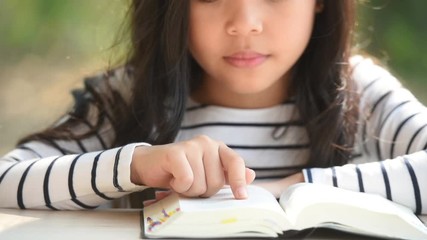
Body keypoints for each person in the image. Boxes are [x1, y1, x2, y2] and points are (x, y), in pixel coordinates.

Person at [0, 0, 426, 214]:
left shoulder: (357, 93)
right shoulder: (129, 97)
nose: (244, 21)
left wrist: (293, 189)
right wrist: (136, 165)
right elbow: (7, 181)